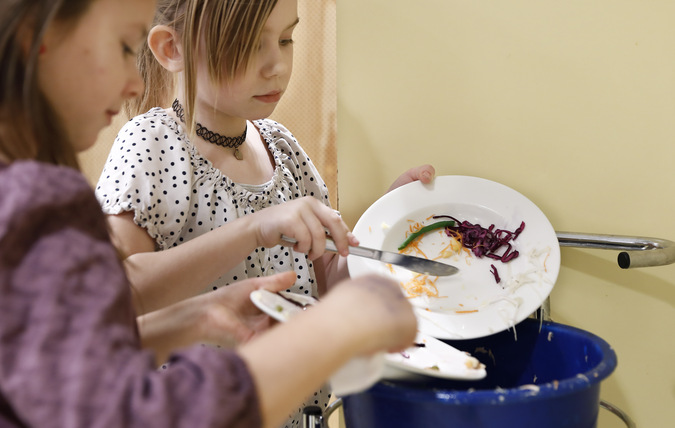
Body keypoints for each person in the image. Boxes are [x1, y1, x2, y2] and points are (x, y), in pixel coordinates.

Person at [0, 1, 418, 427]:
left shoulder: (283, 147)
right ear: (170, 49)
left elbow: (324, 273)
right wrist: (257, 235)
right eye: (250, 44)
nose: (277, 65)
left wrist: (384, 228)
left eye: (287, 38)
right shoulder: (153, 146)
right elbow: (120, 287)